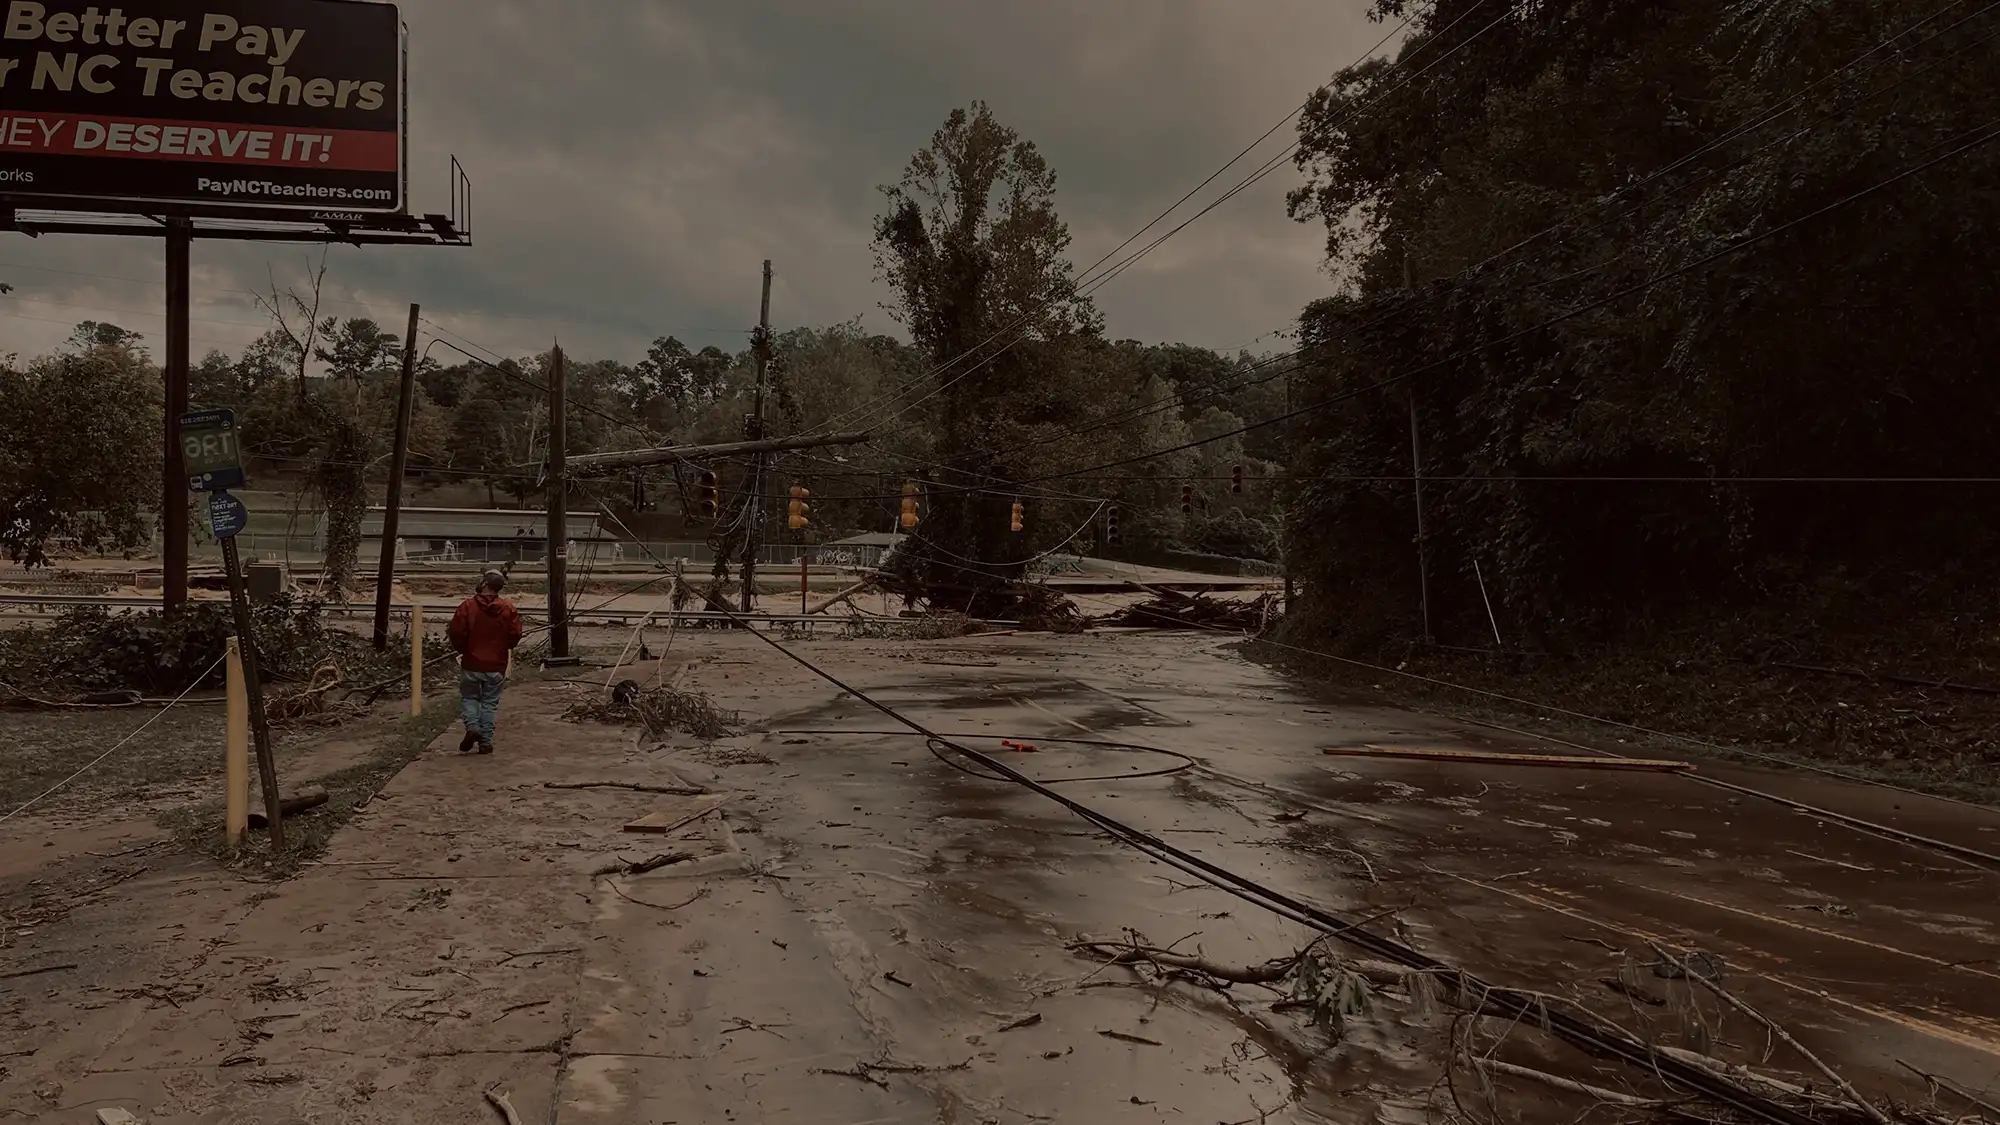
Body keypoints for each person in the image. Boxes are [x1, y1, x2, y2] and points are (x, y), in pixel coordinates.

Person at [447, 568, 523, 754]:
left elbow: (456, 632)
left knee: (469, 697)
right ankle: (485, 742)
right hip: (496, 664)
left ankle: (472, 727)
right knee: (489, 703)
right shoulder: (508, 607)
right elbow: (515, 635)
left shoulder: (467, 606)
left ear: (485, 584)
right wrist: (505, 647)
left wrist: (464, 650)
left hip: (472, 662)